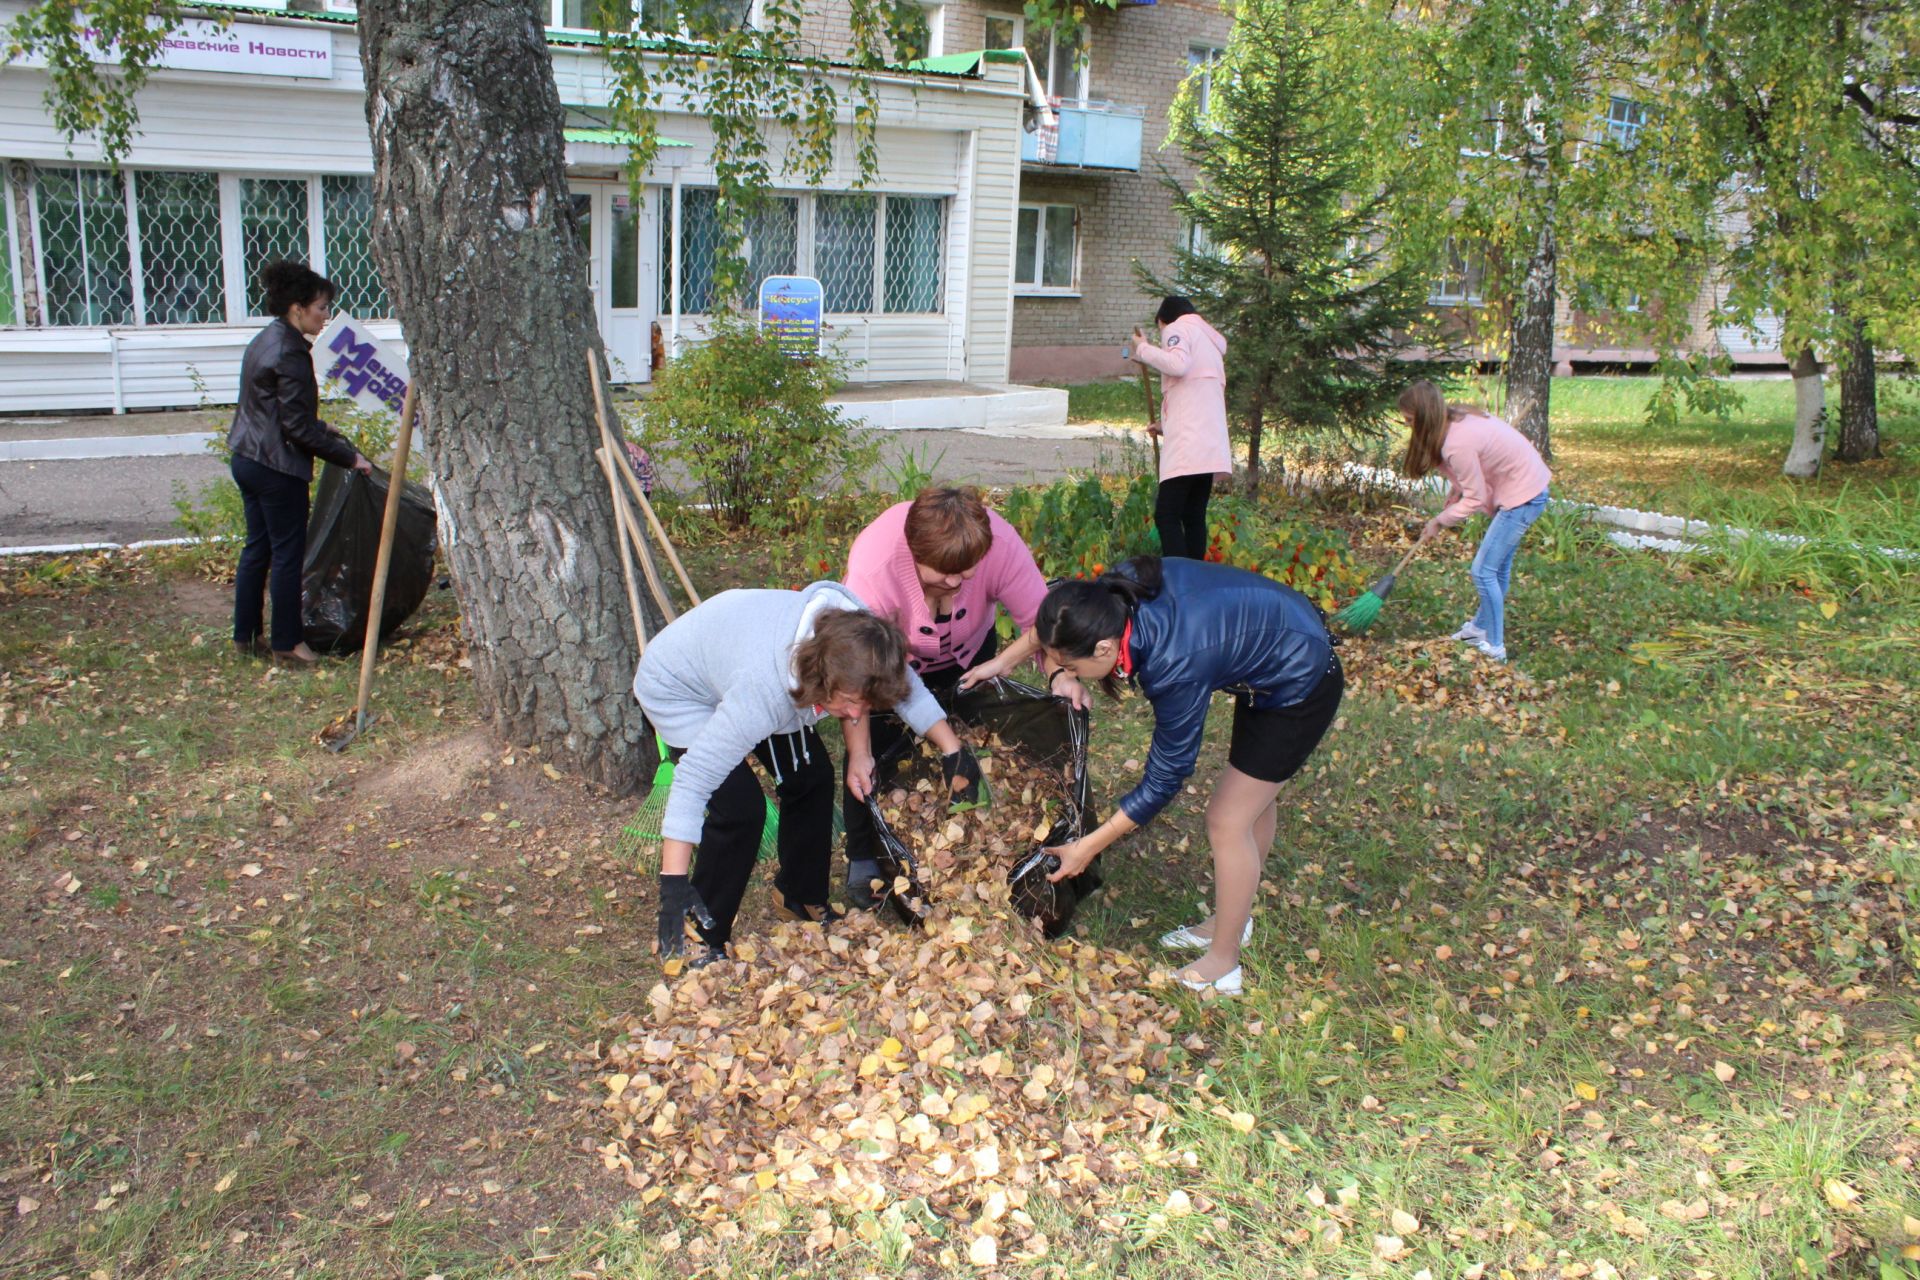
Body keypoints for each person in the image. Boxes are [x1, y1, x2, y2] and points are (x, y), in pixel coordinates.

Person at [1031, 556, 1343, 996]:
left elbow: (1165, 778)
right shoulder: (1108, 596)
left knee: (1227, 820)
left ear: (1103, 650)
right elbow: (1046, 631)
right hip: (1273, 652)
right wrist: (999, 664)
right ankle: (1231, 920)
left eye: (1073, 667)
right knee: (1255, 802)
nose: (1068, 673)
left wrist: (1088, 846)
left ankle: (1223, 963)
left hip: (1300, 681)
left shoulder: (1175, 663)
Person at [632, 582, 978, 962]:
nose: (852, 716)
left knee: (811, 777)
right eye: (846, 703)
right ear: (819, 681)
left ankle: (798, 897)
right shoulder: (763, 695)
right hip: (678, 688)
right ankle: (699, 935)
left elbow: (905, 685)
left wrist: (953, 750)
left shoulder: (858, 635)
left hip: (738, 658)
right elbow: (693, 782)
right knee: (740, 811)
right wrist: (672, 885)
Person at [840, 487, 1075, 906]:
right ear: (913, 551)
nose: (954, 582)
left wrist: (1058, 673)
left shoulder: (999, 546)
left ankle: (972, 835)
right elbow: (857, 675)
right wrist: (859, 752)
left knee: (970, 734)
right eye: (942, 572)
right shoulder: (874, 571)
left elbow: (1042, 620)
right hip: (887, 661)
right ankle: (864, 854)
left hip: (970, 656)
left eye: (965, 572)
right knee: (876, 749)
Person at [227, 260, 371, 665]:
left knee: (256, 549)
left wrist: (321, 428)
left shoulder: (265, 339)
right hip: (276, 468)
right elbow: (294, 428)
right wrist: (349, 457)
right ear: (297, 308)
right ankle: (288, 644)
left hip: (247, 459)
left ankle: (246, 636)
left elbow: (270, 408)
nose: (326, 317)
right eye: (322, 307)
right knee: (289, 554)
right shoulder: (291, 353)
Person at [1399, 380, 1552, 663]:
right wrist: (1454, 490)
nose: (1407, 425)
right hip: (1523, 487)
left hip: (1524, 496)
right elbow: (1472, 473)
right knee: (1497, 570)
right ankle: (1479, 629)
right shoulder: (1455, 419)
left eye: (1409, 420)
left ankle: (1495, 646)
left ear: (1424, 417)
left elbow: (1475, 498)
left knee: (1483, 572)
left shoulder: (1456, 443)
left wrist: (1440, 521)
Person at [1128, 297, 1231, 560]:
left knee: (1167, 515)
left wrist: (1144, 349)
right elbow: (1196, 397)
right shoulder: (1209, 341)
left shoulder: (1177, 329)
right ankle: (1195, 578)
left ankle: (1179, 579)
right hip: (1208, 445)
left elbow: (1178, 365)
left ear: (1164, 320)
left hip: (1188, 447)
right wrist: (1166, 426)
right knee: (1194, 516)